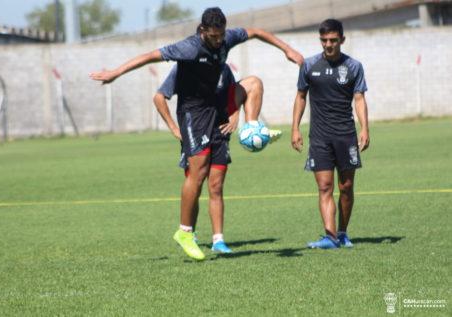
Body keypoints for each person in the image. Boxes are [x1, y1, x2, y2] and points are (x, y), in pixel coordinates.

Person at [91, 7, 304, 260]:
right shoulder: (189, 48)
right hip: (193, 112)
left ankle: (252, 128)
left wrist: (286, 49)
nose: (218, 41)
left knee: (253, 82)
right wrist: (115, 73)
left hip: (215, 108)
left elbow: (256, 31)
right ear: (203, 31)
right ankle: (184, 232)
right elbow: (150, 56)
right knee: (199, 171)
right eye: (213, 36)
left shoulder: (227, 38)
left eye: (221, 36)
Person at [154, 63, 273, 254]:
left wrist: (235, 114)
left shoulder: (223, 68)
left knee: (216, 186)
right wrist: (174, 128)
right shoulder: (183, 68)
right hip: (196, 128)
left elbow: (232, 94)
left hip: (219, 130)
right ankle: (188, 234)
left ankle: (218, 240)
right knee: (196, 183)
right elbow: (159, 97)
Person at [291, 19, 370, 249]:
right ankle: (330, 236)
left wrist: (365, 128)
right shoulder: (309, 66)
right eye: (324, 40)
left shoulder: (354, 66)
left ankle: (343, 232)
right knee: (325, 186)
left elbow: (359, 99)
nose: (328, 45)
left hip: (346, 135)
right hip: (319, 136)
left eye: (333, 40)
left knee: (346, 187)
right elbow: (300, 96)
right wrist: (295, 128)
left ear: (342, 40)